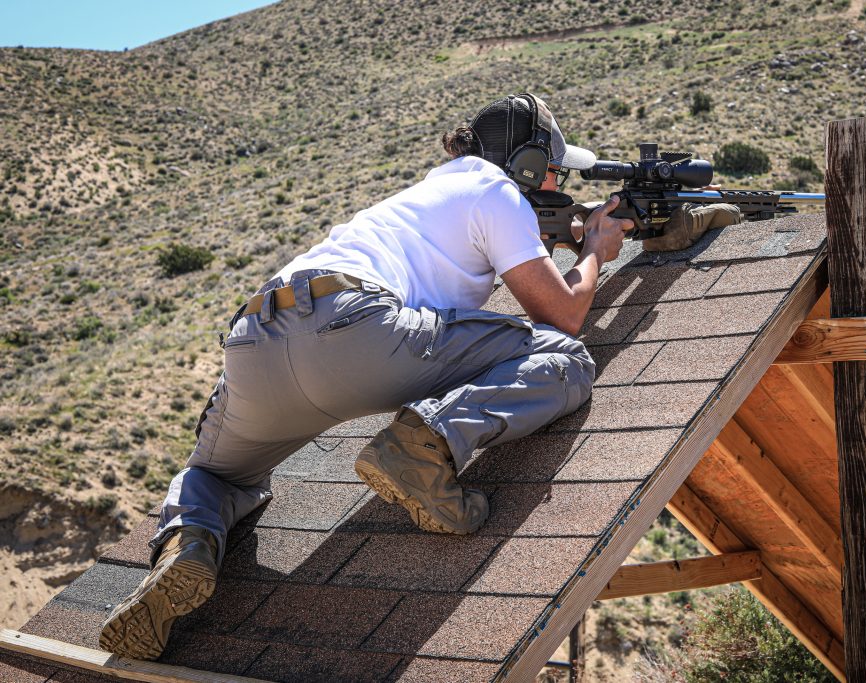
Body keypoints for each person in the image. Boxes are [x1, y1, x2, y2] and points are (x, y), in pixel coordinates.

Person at [98, 93, 633, 661]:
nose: (555, 182)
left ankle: (188, 546)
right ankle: (424, 445)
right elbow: (563, 314)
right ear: (525, 163)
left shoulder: (422, 198)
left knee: (212, 475)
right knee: (565, 357)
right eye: (552, 168)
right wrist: (596, 250)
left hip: (255, 338)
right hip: (357, 330)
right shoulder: (495, 190)